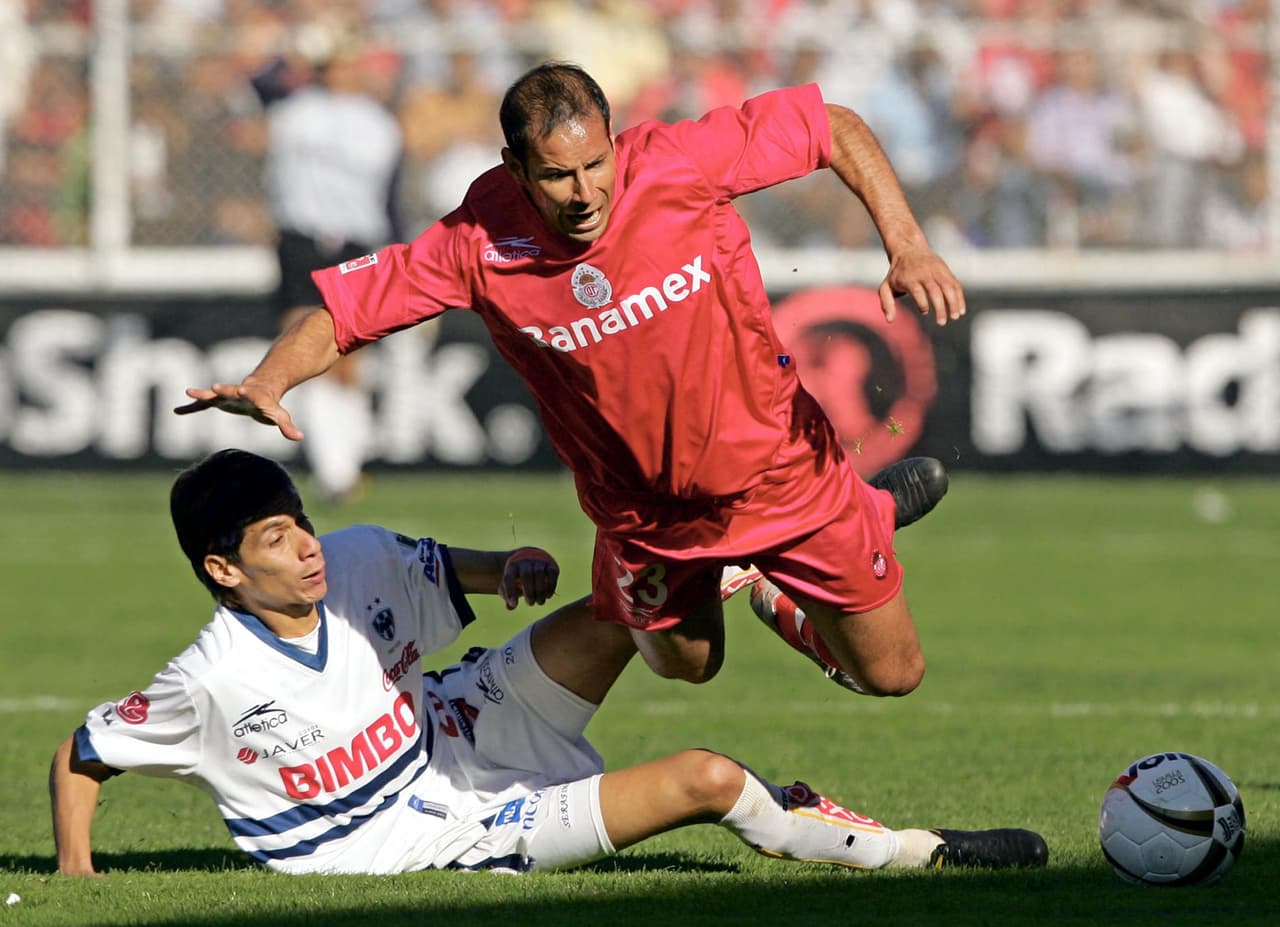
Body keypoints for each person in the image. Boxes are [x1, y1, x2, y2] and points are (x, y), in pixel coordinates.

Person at [176, 61, 965, 698]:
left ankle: (826, 545)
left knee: (895, 676)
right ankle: (785, 572)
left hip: (783, 476)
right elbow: (344, 312)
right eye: (559, 176)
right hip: (644, 516)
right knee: (687, 666)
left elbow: (832, 124)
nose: (586, 193)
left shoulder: (680, 163)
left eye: (597, 164)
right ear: (514, 168)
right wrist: (271, 376)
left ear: (617, 143)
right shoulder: (476, 240)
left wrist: (907, 243)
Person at [49, 450, 1048, 877]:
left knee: (626, 604)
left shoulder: (349, 559)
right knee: (706, 779)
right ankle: (912, 851)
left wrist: (508, 570)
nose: (305, 547)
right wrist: (76, 875)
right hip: (422, 835)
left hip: (453, 727)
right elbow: (81, 754)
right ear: (222, 570)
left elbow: (445, 568)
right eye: (274, 540)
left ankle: (787, 575)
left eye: (299, 523)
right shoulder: (210, 676)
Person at [251, 21, 404, 502]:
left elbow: (391, 199)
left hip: (354, 244)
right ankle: (333, 467)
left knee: (347, 355)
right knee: (302, 339)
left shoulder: (379, 123)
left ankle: (346, 460)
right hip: (300, 238)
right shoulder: (294, 111)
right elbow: (256, 82)